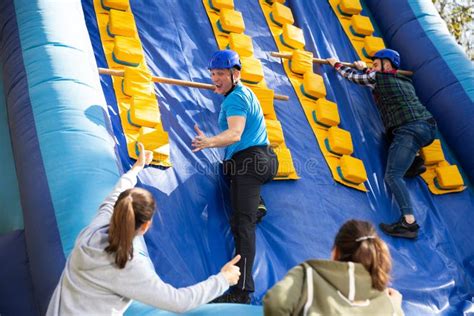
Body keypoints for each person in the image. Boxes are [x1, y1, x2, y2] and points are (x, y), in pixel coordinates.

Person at [46, 143, 241, 315]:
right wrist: (223, 279)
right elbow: (179, 301)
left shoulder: (95, 229)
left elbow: (117, 194)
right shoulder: (128, 267)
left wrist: (136, 168)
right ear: (146, 226)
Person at [192, 49, 278, 303]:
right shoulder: (244, 93)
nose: (215, 79)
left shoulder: (235, 100)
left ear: (235, 74)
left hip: (250, 163)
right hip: (261, 160)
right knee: (226, 169)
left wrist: (208, 142)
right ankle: (258, 205)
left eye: (221, 74)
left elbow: (235, 134)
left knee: (242, 225)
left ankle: (241, 291)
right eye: (213, 74)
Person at [327, 49, 437, 239]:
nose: (373, 67)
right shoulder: (405, 82)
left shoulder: (377, 76)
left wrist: (335, 64)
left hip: (408, 130)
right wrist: (368, 71)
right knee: (391, 136)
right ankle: (413, 161)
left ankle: (409, 223)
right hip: (427, 128)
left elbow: (353, 77)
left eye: (377, 64)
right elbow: (376, 83)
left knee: (393, 175)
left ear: (387, 65)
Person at [263, 220, 404, 315]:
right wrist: (396, 307)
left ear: (335, 251)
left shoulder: (308, 276)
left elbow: (275, 303)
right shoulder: (390, 306)